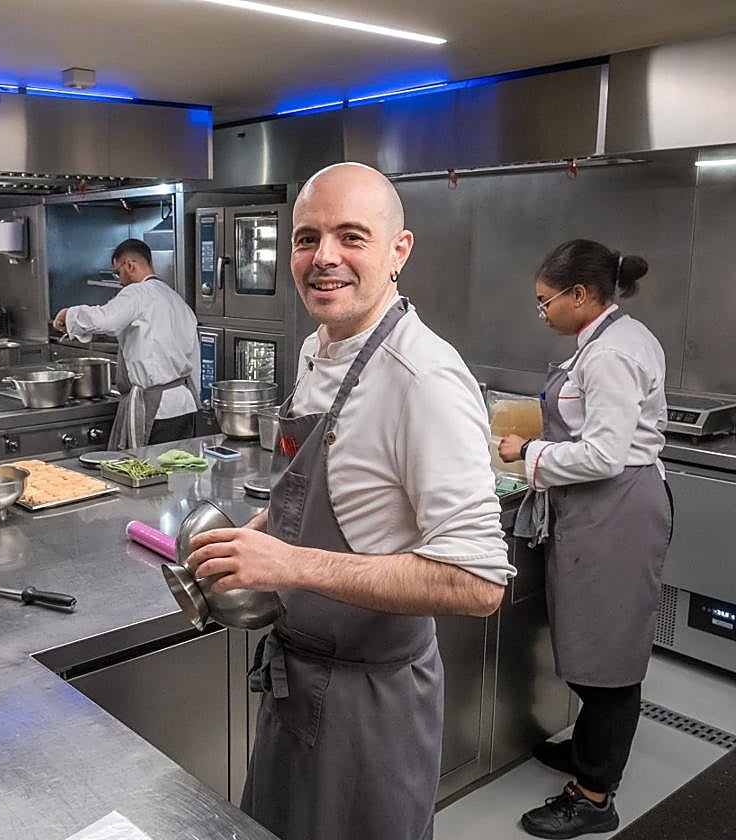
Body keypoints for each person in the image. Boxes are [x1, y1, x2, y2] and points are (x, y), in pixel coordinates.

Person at [185, 162, 513, 840]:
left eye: (351, 236)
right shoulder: (317, 348)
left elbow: (478, 583)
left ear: (399, 251)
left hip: (371, 701)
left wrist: (291, 566)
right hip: (297, 680)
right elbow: (329, 495)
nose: (324, 257)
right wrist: (260, 533)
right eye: (307, 238)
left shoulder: (423, 379)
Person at [499, 239, 672, 838]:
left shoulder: (611, 355)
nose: (541, 312)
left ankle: (595, 796)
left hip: (617, 508)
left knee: (609, 656)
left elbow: (602, 454)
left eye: (545, 301)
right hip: (601, 508)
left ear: (580, 294)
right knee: (590, 641)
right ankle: (589, 754)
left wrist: (528, 454)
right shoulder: (608, 339)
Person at [52, 239, 200, 448]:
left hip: (156, 409)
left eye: (117, 272)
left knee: (149, 473)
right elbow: (194, 359)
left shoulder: (137, 293)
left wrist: (69, 315)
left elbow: (105, 319)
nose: (119, 280)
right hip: (185, 404)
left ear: (130, 265)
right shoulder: (176, 299)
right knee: (178, 470)